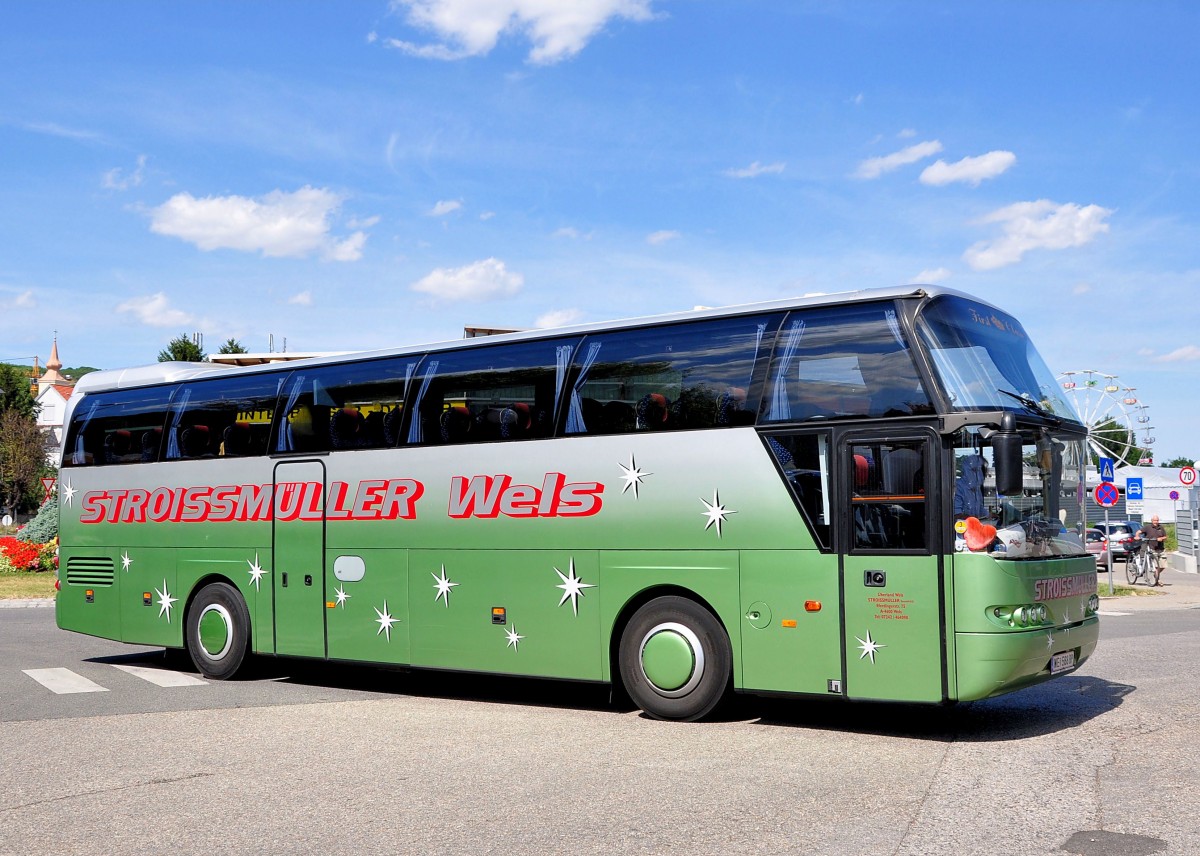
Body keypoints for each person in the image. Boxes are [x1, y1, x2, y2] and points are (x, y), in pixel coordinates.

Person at [1136, 515, 1168, 585]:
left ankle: (1156, 576)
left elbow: (1165, 536)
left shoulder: (1161, 527)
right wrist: (1137, 536)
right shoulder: (1147, 527)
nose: (1156, 522)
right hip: (1152, 548)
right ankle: (1157, 580)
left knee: (1163, 566)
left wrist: (1161, 538)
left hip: (1161, 549)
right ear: (1152, 521)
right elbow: (1139, 531)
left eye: (1157, 520)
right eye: (1154, 520)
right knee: (1155, 566)